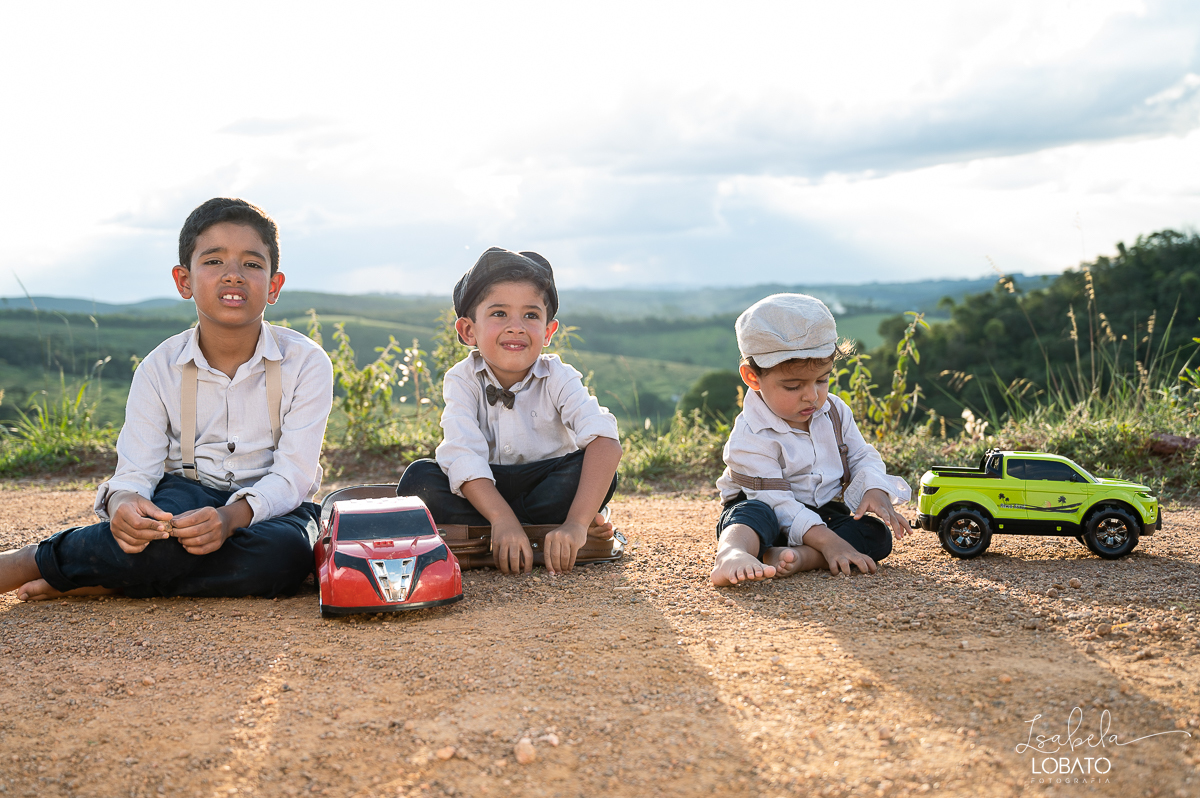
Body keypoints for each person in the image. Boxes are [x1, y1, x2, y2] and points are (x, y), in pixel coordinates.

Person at [0, 198, 334, 600]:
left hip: (274, 507)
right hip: (186, 491)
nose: (233, 275)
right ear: (184, 281)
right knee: (156, 540)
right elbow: (135, 472)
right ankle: (33, 559)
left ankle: (106, 579)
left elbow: (293, 477)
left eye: (251, 263)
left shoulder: (308, 363)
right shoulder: (159, 368)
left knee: (284, 558)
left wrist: (230, 518)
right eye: (213, 262)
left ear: (274, 285)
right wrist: (124, 501)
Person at [397, 247, 622, 575]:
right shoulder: (462, 379)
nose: (516, 327)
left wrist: (575, 523)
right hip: (484, 492)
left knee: (593, 470)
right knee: (419, 480)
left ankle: (539, 531)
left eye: (530, 315)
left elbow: (605, 441)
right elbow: (462, 455)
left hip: (545, 485)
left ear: (547, 332)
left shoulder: (558, 376)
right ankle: (528, 531)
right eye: (499, 313)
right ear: (468, 330)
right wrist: (502, 518)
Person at [710, 293, 913, 587]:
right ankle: (732, 553)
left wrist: (874, 489)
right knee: (750, 517)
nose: (812, 396)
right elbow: (777, 503)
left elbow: (861, 455)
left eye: (821, 379)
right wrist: (829, 541)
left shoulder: (835, 411)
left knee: (875, 535)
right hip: (766, 509)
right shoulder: (750, 436)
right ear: (753, 378)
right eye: (793, 386)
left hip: (822, 512)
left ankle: (801, 558)